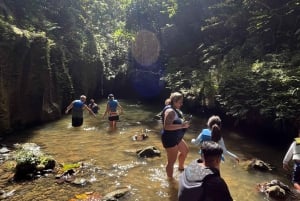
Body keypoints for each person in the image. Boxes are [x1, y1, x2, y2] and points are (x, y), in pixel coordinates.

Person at [161, 92, 190, 178]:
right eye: (180, 102)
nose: (182, 104)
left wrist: (183, 124)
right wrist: (182, 125)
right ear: (174, 101)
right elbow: (167, 126)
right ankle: (170, 180)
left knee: (185, 151)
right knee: (171, 162)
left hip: (177, 137)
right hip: (169, 139)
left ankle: (181, 168)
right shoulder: (170, 112)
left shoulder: (174, 109)